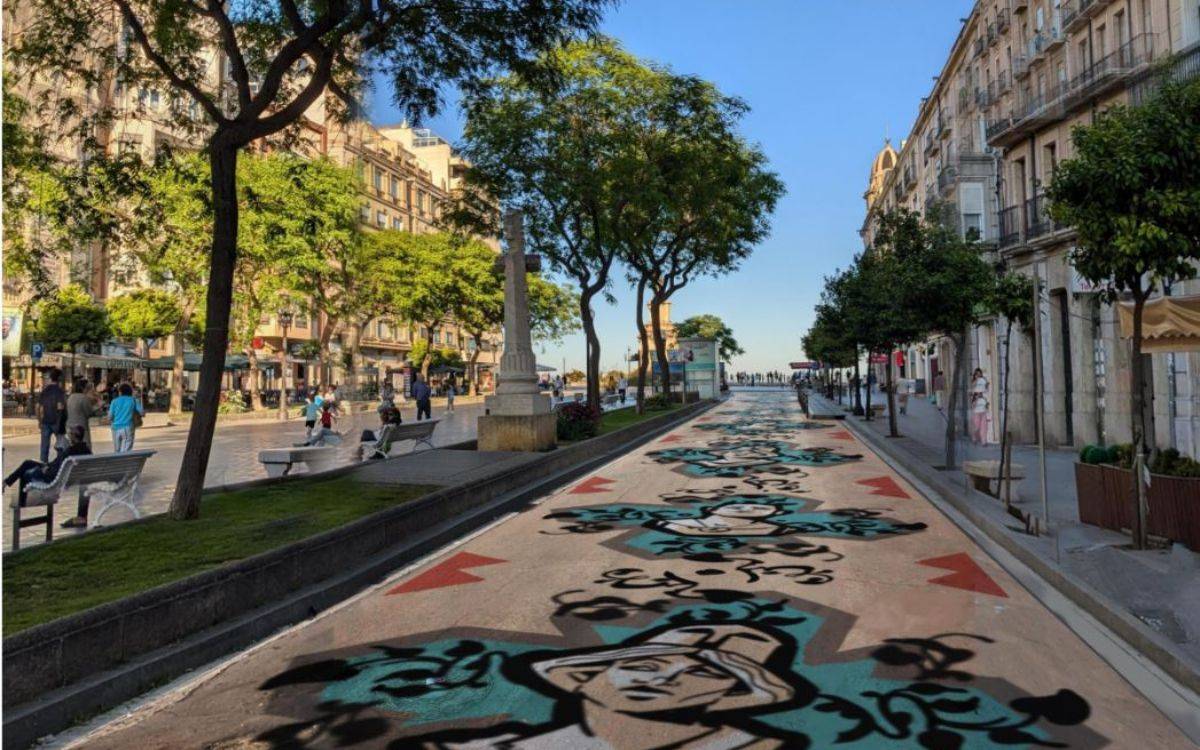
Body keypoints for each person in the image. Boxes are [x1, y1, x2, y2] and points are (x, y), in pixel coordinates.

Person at [5, 424, 92, 519]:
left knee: (25, 473)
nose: (69, 436)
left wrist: (46, 470)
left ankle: (20, 501)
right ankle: (6, 482)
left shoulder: (69, 451)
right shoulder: (87, 451)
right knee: (28, 463)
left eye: (70, 434)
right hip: (59, 472)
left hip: (50, 476)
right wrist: (48, 466)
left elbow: (58, 470)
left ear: (74, 436)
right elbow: (60, 466)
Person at [36, 369, 67, 462]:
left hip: (45, 421)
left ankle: (42, 466)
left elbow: (37, 407)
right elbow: (60, 407)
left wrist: (39, 421)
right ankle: (59, 464)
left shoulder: (45, 391)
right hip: (57, 422)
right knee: (61, 446)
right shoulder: (60, 391)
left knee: (44, 447)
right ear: (59, 379)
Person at [108, 383, 144, 453]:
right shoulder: (133, 400)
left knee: (117, 451)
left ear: (120, 392)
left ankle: (118, 463)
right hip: (128, 428)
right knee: (125, 452)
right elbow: (142, 413)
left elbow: (110, 417)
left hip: (115, 428)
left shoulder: (114, 401)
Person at [66, 378, 100, 449]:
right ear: (84, 388)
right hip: (81, 427)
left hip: (70, 425)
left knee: (72, 446)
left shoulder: (70, 397)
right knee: (85, 447)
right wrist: (98, 406)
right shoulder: (84, 398)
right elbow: (89, 412)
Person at [970, 368, 990, 445]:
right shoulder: (974, 383)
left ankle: (984, 441)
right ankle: (974, 437)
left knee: (984, 426)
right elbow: (971, 395)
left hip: (983, 407)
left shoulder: (984, 381)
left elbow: (987, 391)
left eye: (979, 374)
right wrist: (976, 396)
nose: (978, 375)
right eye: (976, 374)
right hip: (976, 409)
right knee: (976, 426)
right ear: (975, 375)